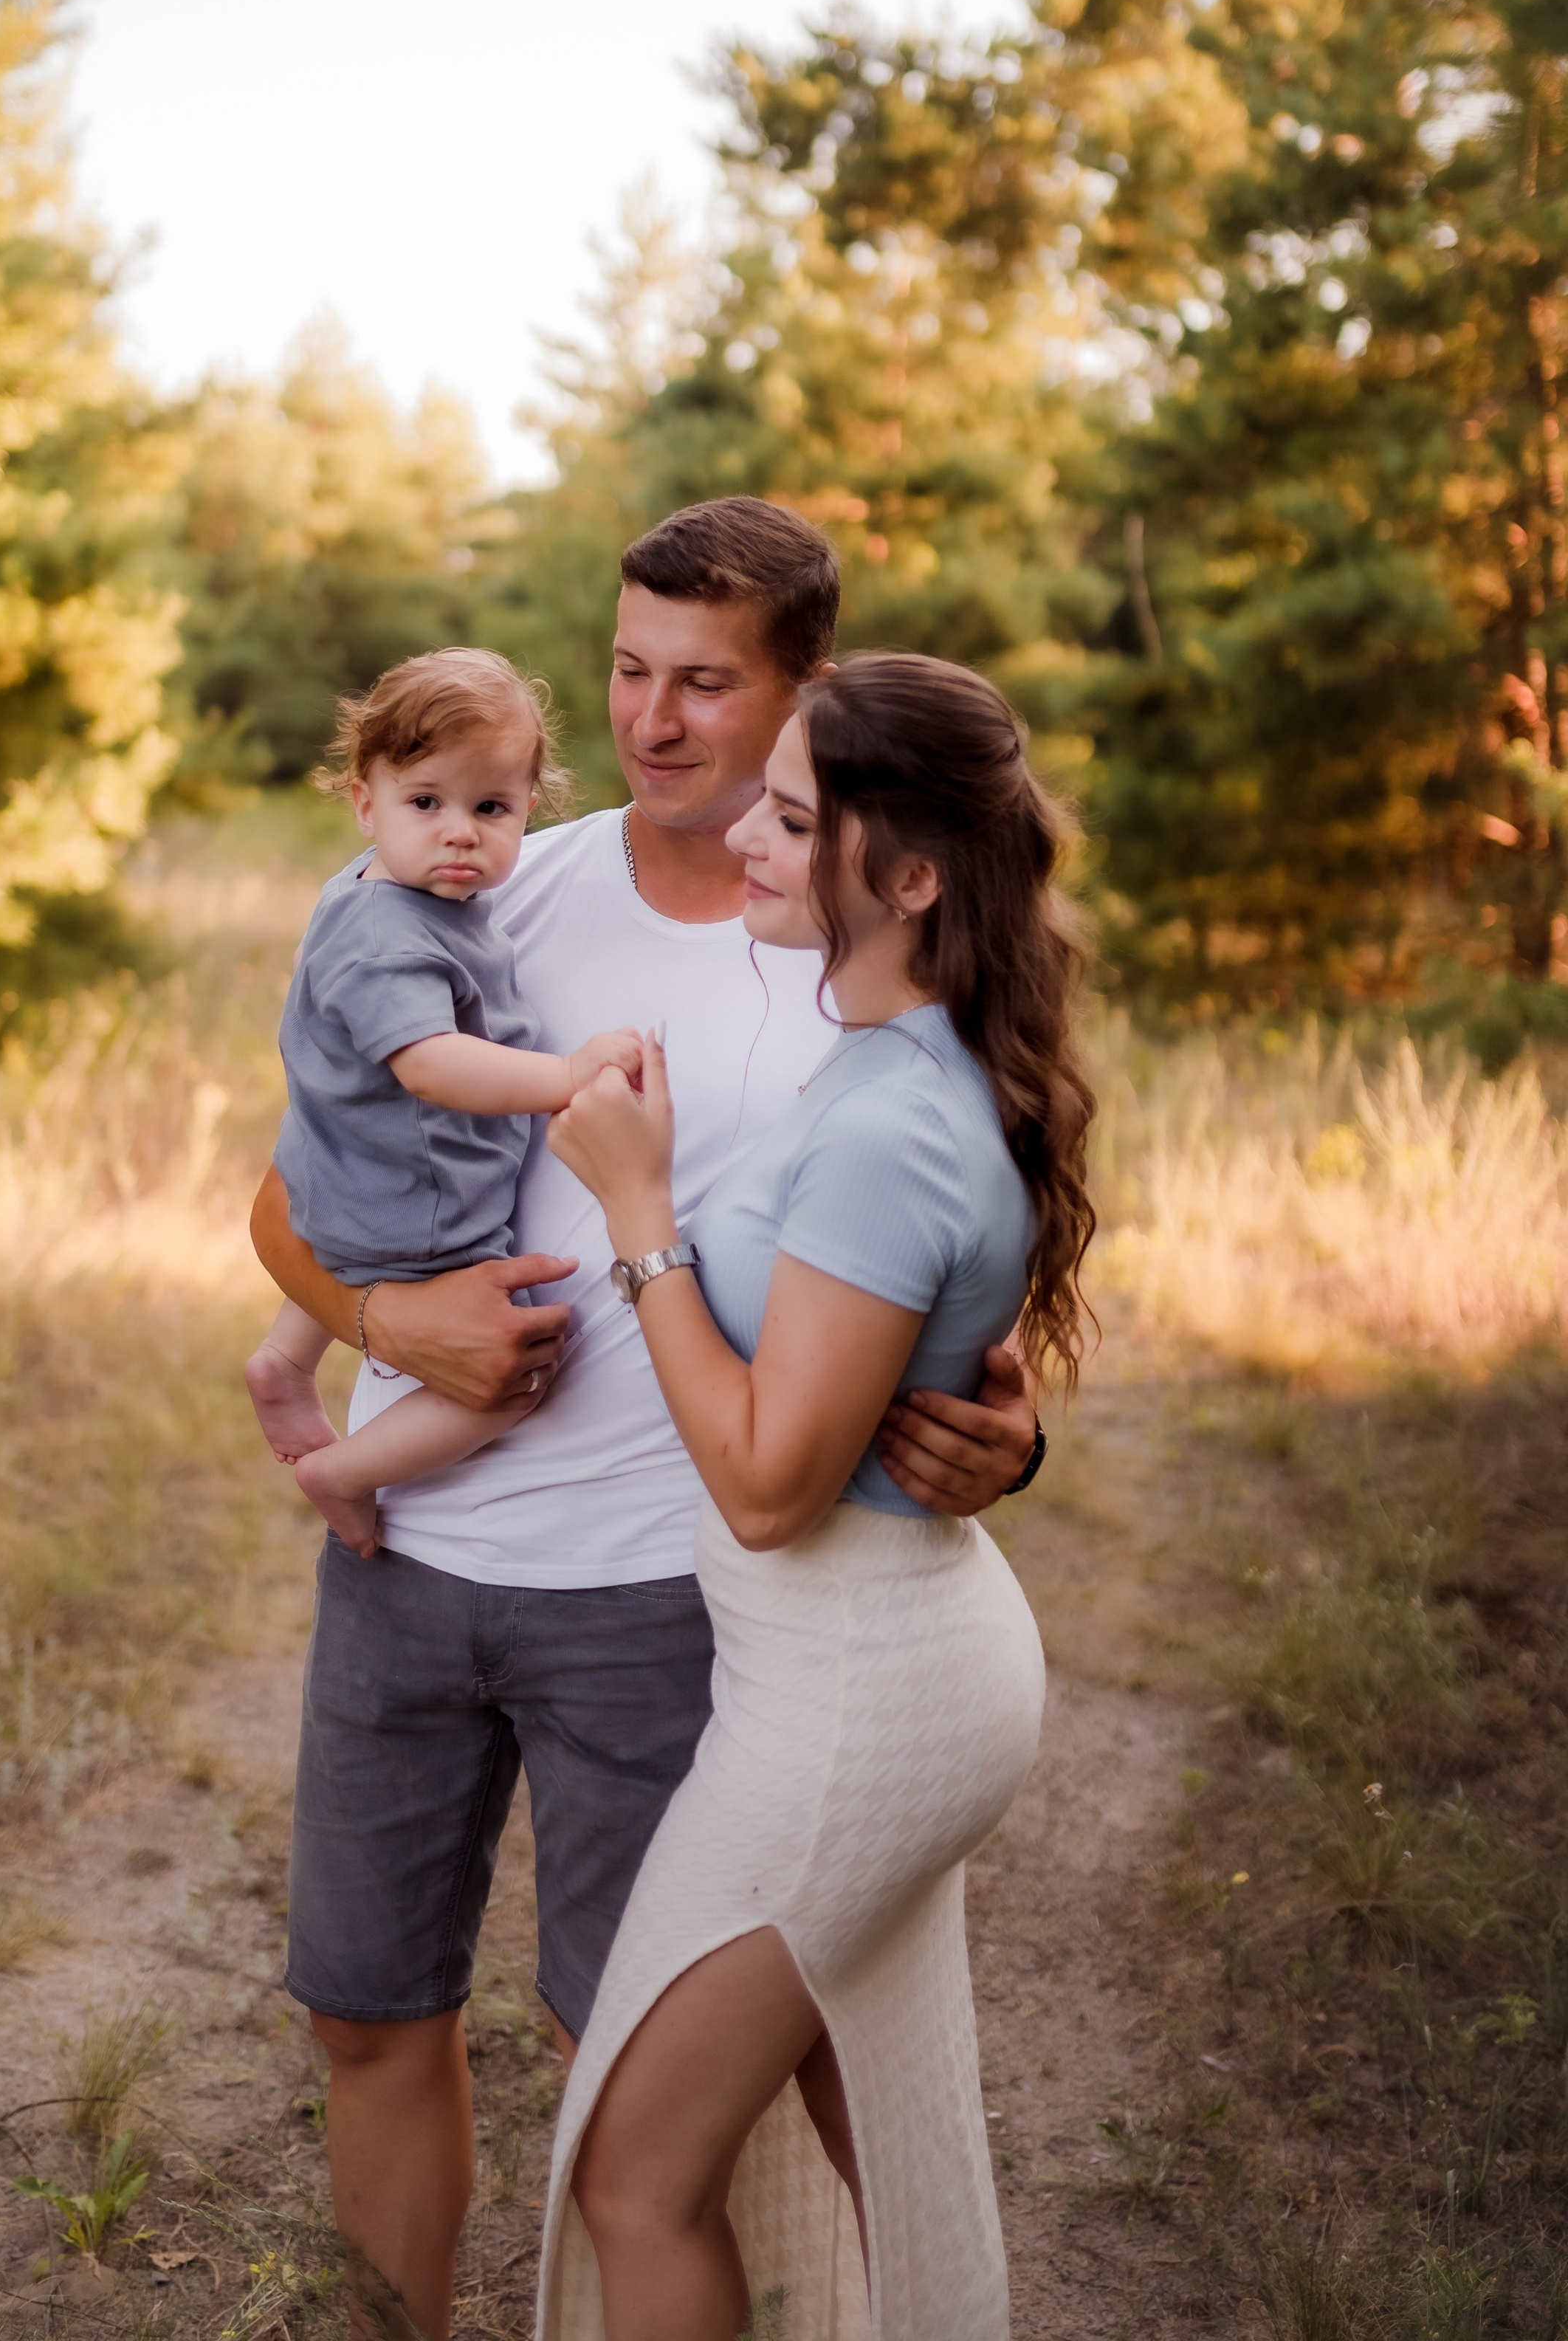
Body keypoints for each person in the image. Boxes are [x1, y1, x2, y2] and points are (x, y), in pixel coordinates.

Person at [247, 500, 1044, 2340]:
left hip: (657, 1602)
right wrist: (380, 1322)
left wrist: (999, 1434)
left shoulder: (843, 942)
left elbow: (919, 1262)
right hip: (410, 1560)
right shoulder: (485, 865)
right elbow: (286, 1198)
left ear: (801, 696)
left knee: (625, 2073)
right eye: (625, 669)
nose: (654, 720)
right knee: (366, 2013)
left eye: (705, 683)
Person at [534, 652, 1096, 2341]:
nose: (748, 841)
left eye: (792, 817)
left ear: (908, 872)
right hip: (861, 1655)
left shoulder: (886, 1122)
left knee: (638, 2169)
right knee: (873, 2138)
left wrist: (638, 1213)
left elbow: (771, 1483)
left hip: (853, 1684)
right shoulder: (891, 1067)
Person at [243, 647, 642, 1553]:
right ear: (364, 800)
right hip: (418, 1202)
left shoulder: (368, 887)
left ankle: (282, 1360)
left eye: (490, 808)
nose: (460, 832)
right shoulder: (393, 938)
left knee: (347, 1231)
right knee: (514, 1379)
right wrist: (571, 1075)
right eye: (427, 803)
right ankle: (345, 1472)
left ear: (527, 809)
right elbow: (432, 1066)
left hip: (339, 1171)